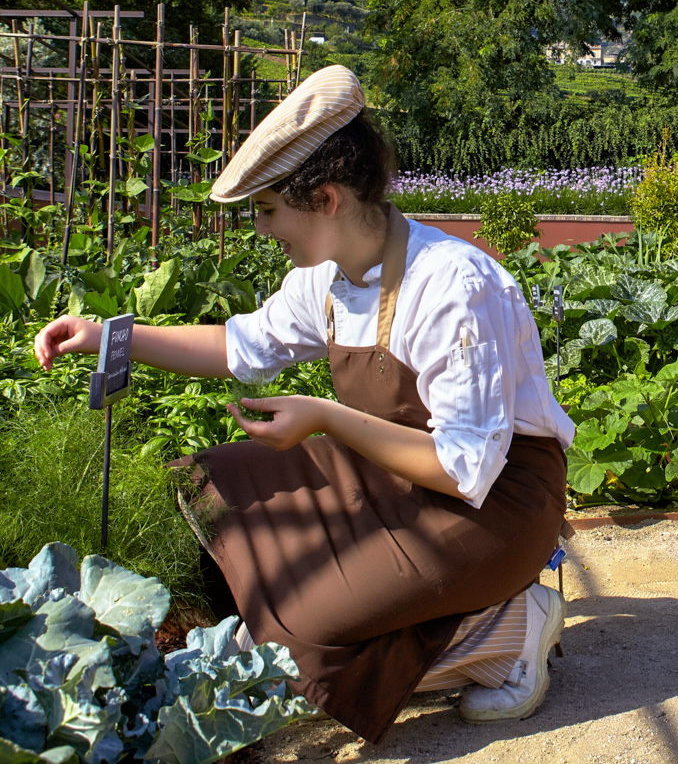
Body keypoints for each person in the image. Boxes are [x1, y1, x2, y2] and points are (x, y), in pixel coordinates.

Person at [33, 66, 575, 743]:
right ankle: (432, 619)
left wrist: (324, 418)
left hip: (495, 504)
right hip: (397, 471)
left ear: (324, 200)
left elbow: (466, 468)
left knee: (295, 642)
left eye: (267, 211)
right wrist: (112, 336)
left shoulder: (452, 287)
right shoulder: (325, 279)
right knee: (213, 483)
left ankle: (507, 631)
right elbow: (241, 345)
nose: (262, 230)